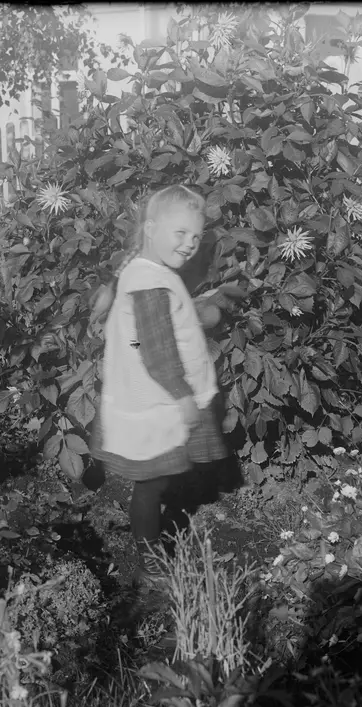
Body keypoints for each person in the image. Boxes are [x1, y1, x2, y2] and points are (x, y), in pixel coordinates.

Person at [89, 184, 230, 591]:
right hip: (159, 398)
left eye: (196, 236)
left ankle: (149, 544)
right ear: (151, 228)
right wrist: (182, 394)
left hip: (149, 390)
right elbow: (157, 349)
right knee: (150, 485)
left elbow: (140, 336)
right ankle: (150, 566)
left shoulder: (143, 271)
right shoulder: (150, 283)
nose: (189, 245)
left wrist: (191, 317)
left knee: (156, 479)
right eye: (180, 234)